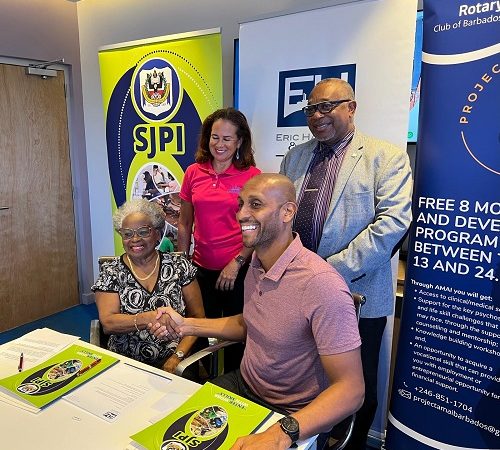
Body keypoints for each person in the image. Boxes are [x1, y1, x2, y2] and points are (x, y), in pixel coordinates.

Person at [150, 174, 364, 450]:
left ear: (288, 212)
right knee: (167, 440)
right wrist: (186, 326)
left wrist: (281, 433)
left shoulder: (321, 284)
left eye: (255, 204)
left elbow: (352, 390)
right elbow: (249, 324)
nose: (241, 214)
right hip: (243, 386)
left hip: (291, 413)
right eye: (240, 205)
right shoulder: (256, 263)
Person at [280, 78, 413, 449]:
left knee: (356, 387)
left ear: (351, 108)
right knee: (308, 377)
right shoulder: (296, 157)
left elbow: (392, 225)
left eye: (327, 107)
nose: (317, 116)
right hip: (297, 291)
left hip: (356, 295)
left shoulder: (385, 156)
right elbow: (282, 217)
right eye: (310, 110)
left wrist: (326, 273)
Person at [177, 107, 261, 372]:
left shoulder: (252, 177)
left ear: (239, 141)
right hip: (201, 270)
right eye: (215, 137)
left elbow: (255, 227)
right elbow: (184, 222)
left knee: (237, 335)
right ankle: (201, 386)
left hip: (238, 270)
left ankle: (234, 389)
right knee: (199, 331)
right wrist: (182, 263)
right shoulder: (193, 172)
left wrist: (236, 263)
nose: (220, 144)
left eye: (227, 138)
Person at [91, 198, 205, 374]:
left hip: (176, 359)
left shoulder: (179, 265)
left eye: (143, 232)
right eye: (127, 234)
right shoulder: (111, 271)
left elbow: (198, 317)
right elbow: (109, 323)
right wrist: (150, 318)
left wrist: (178, 356)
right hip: (126, 363)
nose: (135, 239)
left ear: (158, 234)